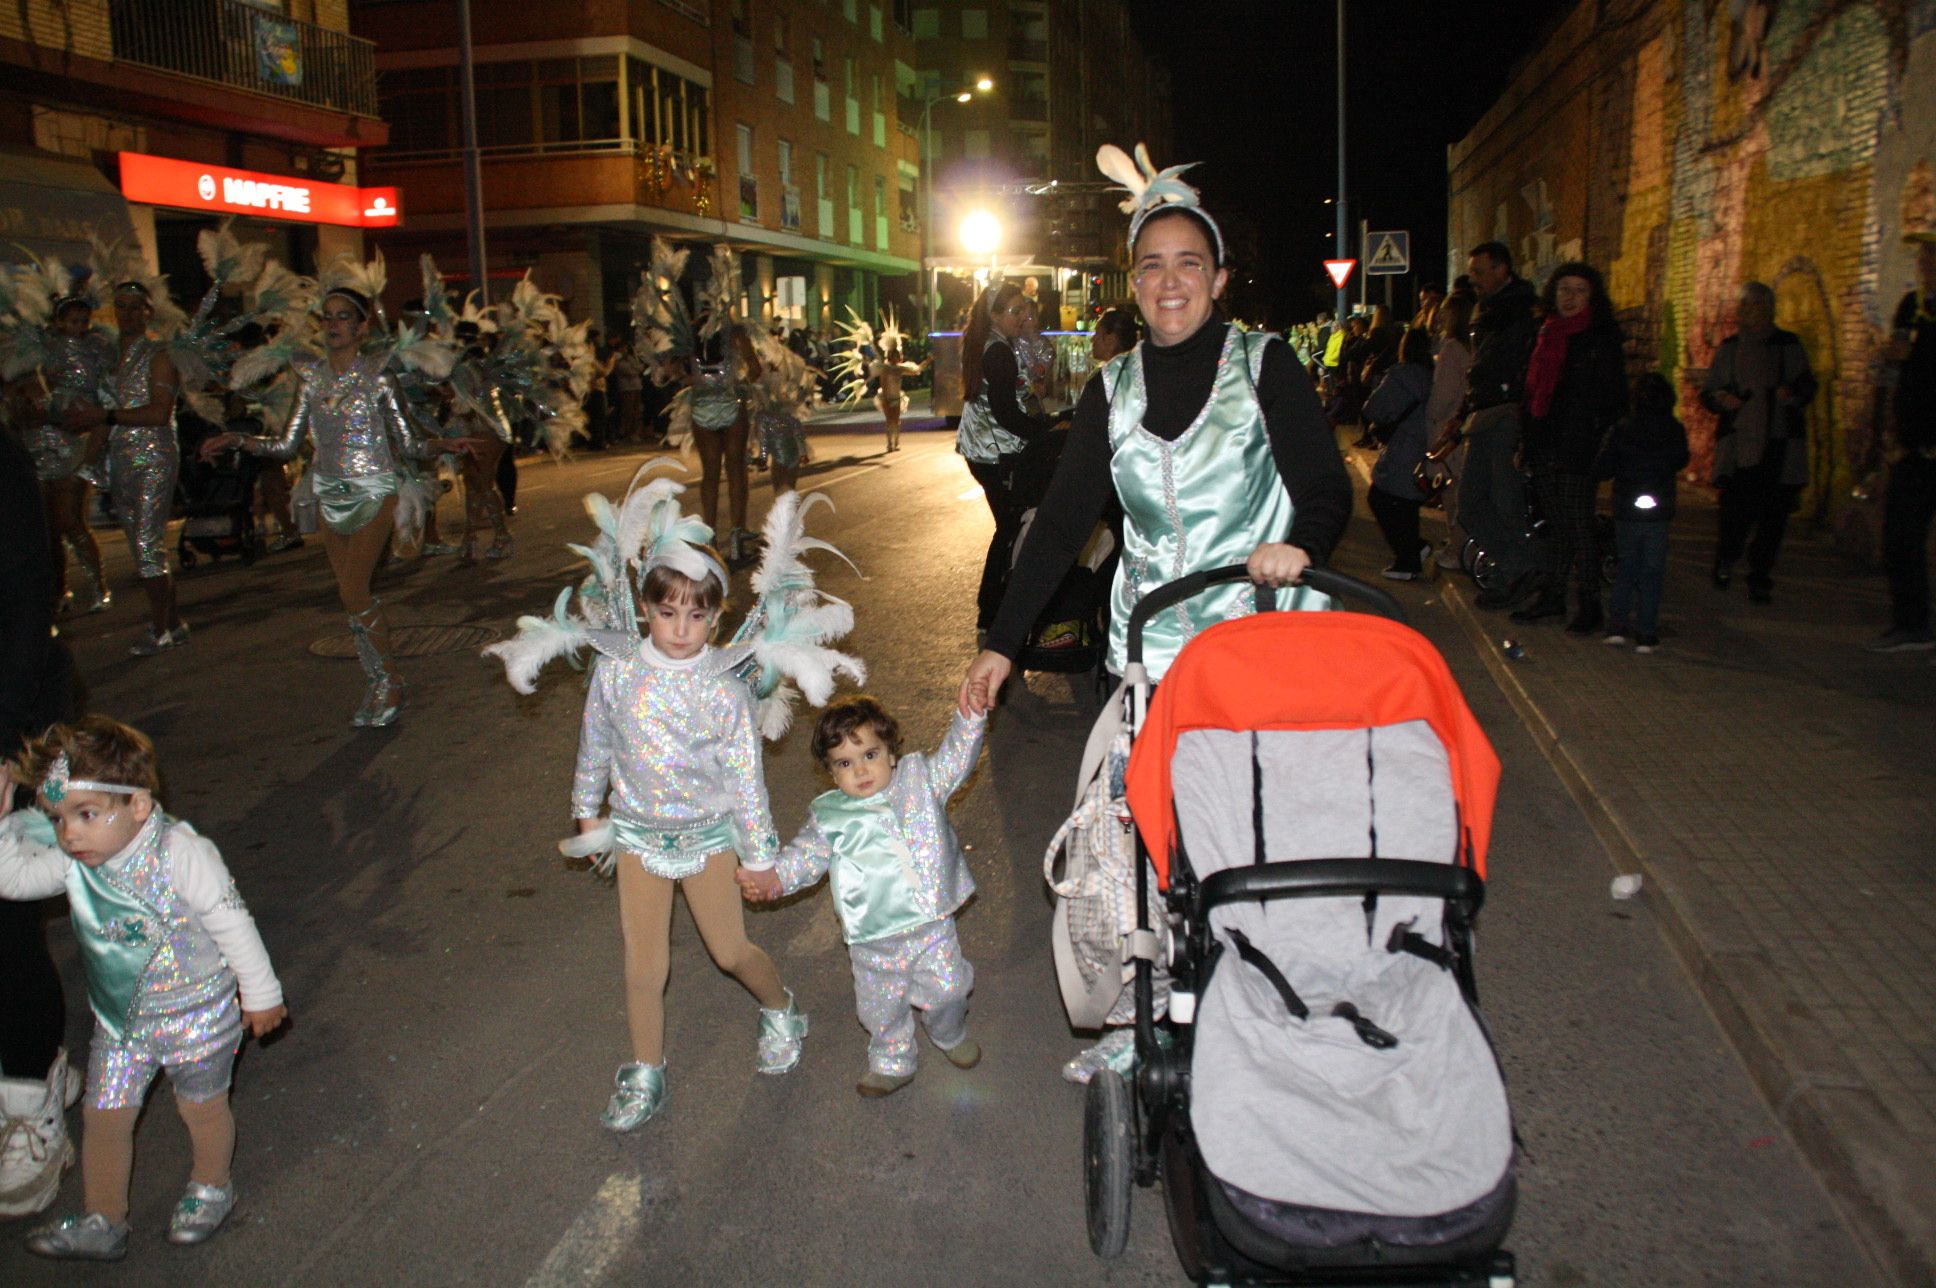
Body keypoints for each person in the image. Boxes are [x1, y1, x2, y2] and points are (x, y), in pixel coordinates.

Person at [961, 144, 1352, 708]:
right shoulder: (1111, 389)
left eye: (1189, 262)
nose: (1170, 281)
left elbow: (1324, 486)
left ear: (1218, 279)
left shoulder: (1264, 365)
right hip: (1154, 654)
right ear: (1136, 282)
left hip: (1269, 636)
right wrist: (1002, 643)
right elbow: (1060, 524)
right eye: (1152, 265)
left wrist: (1301, 546)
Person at [0, 717, 286, 1260]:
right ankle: (102, 1218)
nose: (70, 834)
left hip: (198, 1016)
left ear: (138, 805)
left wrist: (261, 992)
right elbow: (12, 880)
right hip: (121, 1023)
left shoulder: (183, 854)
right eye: (58, 819)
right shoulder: (75, 861)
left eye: (86, 815)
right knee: (104, 1116)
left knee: (201, 1108)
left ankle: (210, 1186)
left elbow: (232, 922)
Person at [563, 531, 805, 1132]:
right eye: (667, 613)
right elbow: (595, 743)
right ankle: (645, 1071)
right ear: (646, 607)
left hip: (708, 839)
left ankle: (781, 1007)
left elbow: (747, 781)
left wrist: (760, 856)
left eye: (696, 616)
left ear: (717, 617)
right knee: (644, 964)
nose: (679, 629)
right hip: (639, 837)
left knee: (729, 951)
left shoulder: (724, 688)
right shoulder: (616, 671)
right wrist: (587, 811)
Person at [200, 279, 471, 727]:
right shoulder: (311, 379)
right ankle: (381, 681)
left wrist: (445, 443)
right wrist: (239, 439)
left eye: (343, 316)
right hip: (329, 493)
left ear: (363, 327)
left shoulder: (379, 376)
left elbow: (407, 442)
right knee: (351, 598)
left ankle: (388, 682)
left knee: (353, 589)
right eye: (326, 317)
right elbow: (287, 446)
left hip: (376, 490)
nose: (333, 324)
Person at [743, 697, 986, 1097]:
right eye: (844, 763)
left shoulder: (921, 781)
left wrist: (971, 714)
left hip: (931, 925)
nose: (860, 769)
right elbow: (805, 858)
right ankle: (893, 1059)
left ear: (892, 753)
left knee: (950, 988)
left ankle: (949, 1032)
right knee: (880, 1008)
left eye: (869, 754)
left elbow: (958, 756)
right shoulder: (830, 815)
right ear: (831, 774)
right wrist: (773, 879)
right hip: (872, 938)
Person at [63, 282, 188, 656]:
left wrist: (104, 415)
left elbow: (158, 413)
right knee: (141, 547)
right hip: (121, 458)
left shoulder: (160, 355)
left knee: (149, 546)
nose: (128, 314)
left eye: (136, 307)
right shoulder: (108, 360)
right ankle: (174, 623)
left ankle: (161, 629)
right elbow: (103, 416)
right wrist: (87, 459)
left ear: (149, 311)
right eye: (122, 307)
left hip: (154, 457)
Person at [1511, 262, 1630, 634]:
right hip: (1544, 440)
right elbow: (1529, 392)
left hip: (1579, 445)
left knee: (1579, 525)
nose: (1571, 298)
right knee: (1557, 524)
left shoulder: (1600, 337)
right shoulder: (1545, 331)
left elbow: (1613, 397)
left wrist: (1596, 438)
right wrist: (1526, 440)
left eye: (1579, 291)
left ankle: (1591, 602)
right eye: (1564, 289)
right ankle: (1553, 596)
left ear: (1592, 295)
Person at [1700, 280, 1816, 604]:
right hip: (1741, 443)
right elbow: (1710, 391)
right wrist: (1724, 398)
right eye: (1746, 305)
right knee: (1736, 512)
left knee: (1773, 516)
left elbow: (1807, 384)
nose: (1751, 311)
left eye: (1758, 305)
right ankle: (1727, 557)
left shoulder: (1788, 345)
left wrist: (1790, 394)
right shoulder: (1731, 348)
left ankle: (1760, 574)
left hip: (1779, 442)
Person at [958, 281, 1060, 631]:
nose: (1022, 317)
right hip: (993, 453)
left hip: (986, 450)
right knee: (1010, 529)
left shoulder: (995, 344)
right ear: (995, 315)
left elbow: (1012, 401)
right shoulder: (997, 351)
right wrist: (1044, 434)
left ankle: (994, 609)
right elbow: (1004, 413)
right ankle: (991, 610)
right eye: (1015, 311)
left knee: (1012, 527)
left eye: (1024, 310)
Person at [1457, 241, 1543, 609]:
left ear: (1502, 270)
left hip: (1507, 415)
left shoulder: (1520, 312)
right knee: (1471, 505)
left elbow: (1521, 368)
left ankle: (1520, 569)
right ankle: (1519, 566)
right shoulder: (1489, 311)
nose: (1473, 278)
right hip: (1484, 414)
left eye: (1480, 271)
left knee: (1506, 502)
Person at [1866, 235, 1936, 652]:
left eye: (1931, 253)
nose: (1924, 261)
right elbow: (1897, 371)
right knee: (1900, 536)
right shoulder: (1913, 306)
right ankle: (1912, 624)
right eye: (1924, 254)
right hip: (1916, 449)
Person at [27, 295, 115, 614]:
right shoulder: (41, 349)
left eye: (84, 321)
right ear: (60, 321)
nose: (80, 327)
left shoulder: (96, 350)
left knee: (71, 520)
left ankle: (99, 586)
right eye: (73, 321)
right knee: (50, 527)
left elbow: (103, 394)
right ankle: (60, 590)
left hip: (75, 439)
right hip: (40, 441)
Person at [1597, 372, 1689, 654]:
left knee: (1626, 566)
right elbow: (1680, 459)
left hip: (1627, 506)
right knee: (1652, 570)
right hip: (1659, 508)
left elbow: (1605, 465)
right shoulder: (1673, 428)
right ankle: (1647, 633)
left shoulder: (1623, 428)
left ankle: (1617, 626)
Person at [1364, 327, 1439, 580]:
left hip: (1402, 444)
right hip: (1423, 443)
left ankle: (1408, 559)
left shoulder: (1400, 376)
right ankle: (1413, 551)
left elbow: (1374, 408)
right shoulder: (1430, 376)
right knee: (1407, 502)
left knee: (1380, 497)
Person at [1426, 293, 1477, 570]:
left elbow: (1443, 396)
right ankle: (1458, 545)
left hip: (1448, 428)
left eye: (1444, 313)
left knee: (1451, 492)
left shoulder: (1451, 349)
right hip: (1462, 425)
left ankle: (1457, 549)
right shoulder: (1470, 346)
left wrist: (1432, 415)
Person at [873, 340, 928, 452]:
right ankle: (889, 443)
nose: (897, 358)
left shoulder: (900, 368)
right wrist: (885, 397)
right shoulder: (885, 368)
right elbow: (882, 383)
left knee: (896, 420)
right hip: (887, 397)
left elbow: (916, 370)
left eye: (898, 356)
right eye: (894, 355)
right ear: (890, 357)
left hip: (896, 397)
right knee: (889, 420)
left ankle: (896, 442)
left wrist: (928, 361)